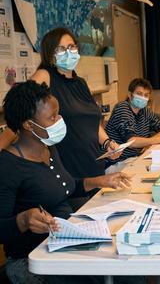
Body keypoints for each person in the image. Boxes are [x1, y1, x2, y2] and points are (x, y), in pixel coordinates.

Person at [0, 80, 131, 284]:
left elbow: (65, 187)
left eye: (58, 114)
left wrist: (100, 181)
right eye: (52, 117)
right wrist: (24, 220)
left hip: (66, 241)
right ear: (28, 125)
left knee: (126, 268)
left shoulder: (49, 149)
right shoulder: (8, 165)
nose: (60, 120)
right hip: (31, 259)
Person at [0, 27, 120, 207]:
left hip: (92, 165)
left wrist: (107, 143)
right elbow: (21, 111)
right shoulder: (45, 76)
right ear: (50, 54)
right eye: (61, 49)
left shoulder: (80, 83)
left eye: (71, 46)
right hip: (66, 168)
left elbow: (92, 123)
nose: (68, 52)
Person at [106, 78, 160, 167]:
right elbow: (131, 142)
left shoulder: (144, 110)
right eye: (139, 94)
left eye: (146, 95)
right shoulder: (122, 108)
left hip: (136, 157)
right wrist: (158, 140)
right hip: (118, 162)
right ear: (130, 94)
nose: (143, 98)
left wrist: (148, 142)